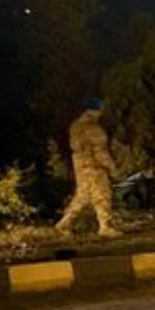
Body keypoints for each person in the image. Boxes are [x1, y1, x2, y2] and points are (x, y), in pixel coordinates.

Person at [55, 98, 121, 237]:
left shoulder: (75, 126)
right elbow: (100, 151)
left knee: (82, 197)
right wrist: (112, 168)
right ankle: (105, 227)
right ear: (96, 110)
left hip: (80, 165)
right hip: (95, 166)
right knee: (103, 195)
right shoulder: (94, 128)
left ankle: (64, 224)